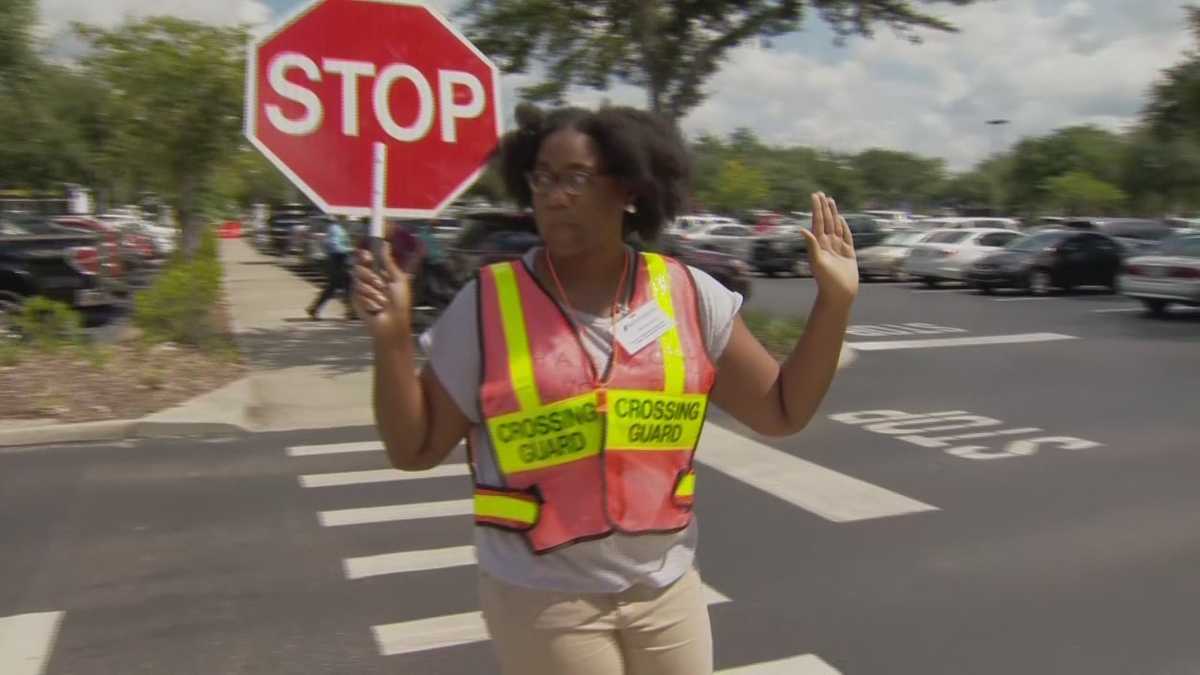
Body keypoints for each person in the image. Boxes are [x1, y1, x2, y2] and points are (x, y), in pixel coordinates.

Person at [351, 103, 859, 675]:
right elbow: (412, 449)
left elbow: (782, 411)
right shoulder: (487, 305)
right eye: (542, 177)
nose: (553, 194)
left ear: (631, 192)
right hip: (542, 595)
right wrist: (391, 341)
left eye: (575, 178)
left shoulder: (689, 295)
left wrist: (834, 303)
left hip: (665, 588)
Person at [306, 217, 354, 320]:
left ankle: (314, 308)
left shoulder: (336, 228)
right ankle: (351, 311)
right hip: (338, 260)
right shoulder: (335, 229)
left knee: (340, 286)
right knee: (343, 285)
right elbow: (333, 244)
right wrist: (349, 250)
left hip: (338, 260)